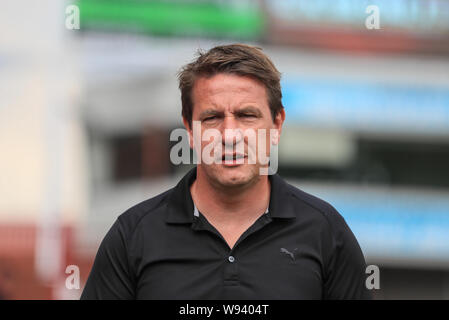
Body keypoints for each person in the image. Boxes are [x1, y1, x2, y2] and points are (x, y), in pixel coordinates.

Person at [81, 44, 372, 300]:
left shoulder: (326, 232)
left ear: (276, 125)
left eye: (247, 115)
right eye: (212, 117)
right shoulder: (133, 235)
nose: (230, 135)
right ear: (190, 130)